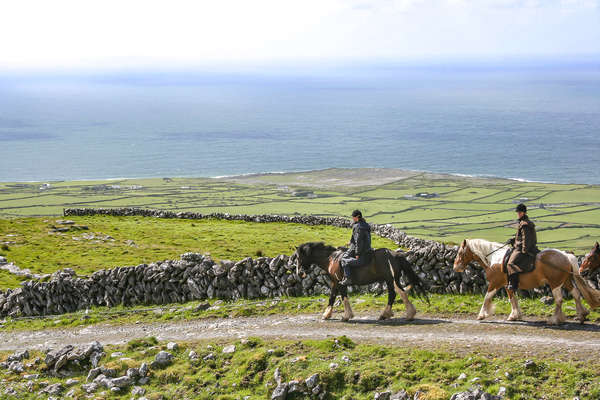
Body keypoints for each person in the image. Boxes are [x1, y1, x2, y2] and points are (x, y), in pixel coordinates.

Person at [505, 203, 538, 291]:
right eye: (518, 212)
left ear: (524, 213)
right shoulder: (524, 222)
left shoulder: (524, 224)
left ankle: (513, 284)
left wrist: (524, 251)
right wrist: (512, 240)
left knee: (510, 264)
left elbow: (525, 238)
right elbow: (519, 236)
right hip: (521, 246)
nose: (518, 214)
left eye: (520, 212)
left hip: (521, 249)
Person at [339, 210, 372, 286]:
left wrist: (357, 253)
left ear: (357, 217)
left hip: (362, 253)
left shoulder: (358, 226)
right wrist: (350, 243)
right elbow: (361, 239)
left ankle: (348, 279)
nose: (352, 218)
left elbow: (359, 242)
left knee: (344, 260)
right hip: (368, 250)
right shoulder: (365, 225)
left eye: (353, 217)